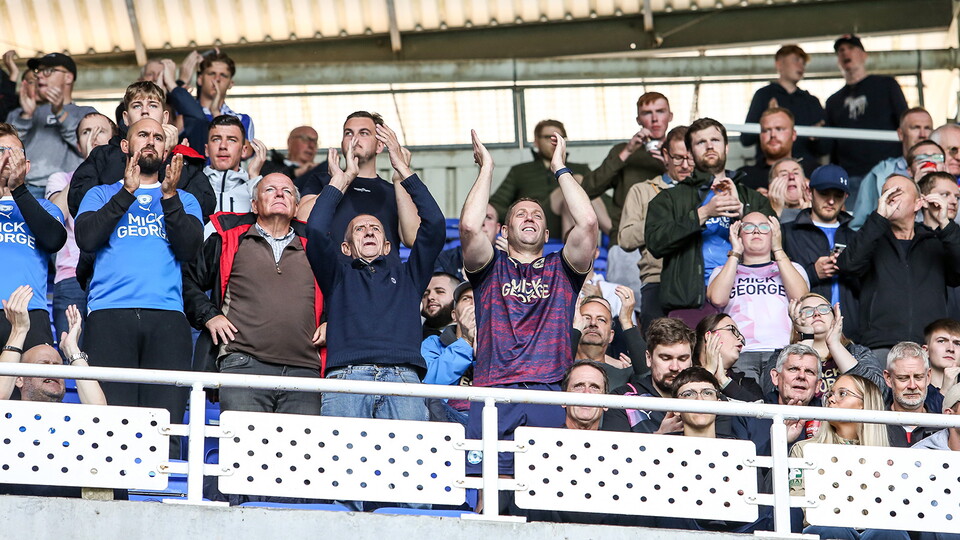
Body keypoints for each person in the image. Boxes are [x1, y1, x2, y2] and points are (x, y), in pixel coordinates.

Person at [459, 128, 598, 475]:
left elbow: (589, 222)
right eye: (520, 214)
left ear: (548, 235)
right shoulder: (491, 267)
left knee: (545, 487)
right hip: (493, 389)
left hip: (549, 390)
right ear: (504, 231)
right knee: (487, 488)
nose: (530, 218)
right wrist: (486, 168)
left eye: (537, 215)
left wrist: (559, 168)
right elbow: (470, 228)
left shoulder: (562, 269)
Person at [306, 123, 444, 421]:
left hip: (403, 377)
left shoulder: (410, 277)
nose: (368, 231)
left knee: (409, 465)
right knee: (343, 464)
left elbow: (434, 226)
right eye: (359, 229)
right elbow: (316, 231)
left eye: (376, 229)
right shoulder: (337, 277)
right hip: (347, 377)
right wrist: (338, 182)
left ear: (386, 246)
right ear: (345, 247)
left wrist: (403, 170)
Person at [74, 117, 203, 426]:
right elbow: (87, 239)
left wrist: (169, 199)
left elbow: (189, 250)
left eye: (158, 137)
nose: (150, 141)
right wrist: (126, 193)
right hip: (109, 315)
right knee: (113, 424)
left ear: (167, 148)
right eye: (142, 134)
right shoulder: (100, 194)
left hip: (168, 317)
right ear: (125, 145)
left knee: (166, 423)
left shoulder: (185, 199)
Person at [183, 173, 324, 415]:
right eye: (270, 189)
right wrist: (209, 315)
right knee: (243, 452)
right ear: (254, 205)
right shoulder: (228, 237)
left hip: (305, 371)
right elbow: (187, 280)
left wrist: (330, 321)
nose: (280, 193)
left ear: (297, 208)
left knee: (299, 453)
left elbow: (342, 290)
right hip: (243, 365)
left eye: (287, 191)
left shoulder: (316, 244)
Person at [645, 118, 774, 322]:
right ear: (690, 151)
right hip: (691, 301)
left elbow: (777, 241)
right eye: (700, 142)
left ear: (727, 146)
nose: (709, 146)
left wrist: (741, 209)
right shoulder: (670, 198)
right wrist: (703, 213)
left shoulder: (752, 199)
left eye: (715, 139)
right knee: (689, 355)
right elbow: (655, 243)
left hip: (746, 294)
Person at [837, 174, 960, 358]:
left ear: (918, 204)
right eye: (886, 193)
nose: (891, 197)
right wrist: (878, 217)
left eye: (898, 192)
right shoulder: (872, 237)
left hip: (929, 347)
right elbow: (848, 264)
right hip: (880, 344)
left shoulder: (935, 240)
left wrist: (945, 223)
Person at [67, 81, 215, 221]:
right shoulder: (103, 154)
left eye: (152, 105)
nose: (145, 111)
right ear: (126, 118)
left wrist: (166, 157)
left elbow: (203, 209)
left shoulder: (182, 157)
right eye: (137, 106)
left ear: (164, 117)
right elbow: (78, 204)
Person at [789, 374, 906, 540]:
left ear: (864, 405)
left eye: (842, 394)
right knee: (831, 529)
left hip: (873, 529)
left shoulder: (888, 457)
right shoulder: (804, 449)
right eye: (830, 394)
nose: (831, 399)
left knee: (889, 532)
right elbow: (798, 503)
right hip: (826, 528)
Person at [296, 112, 420, 259]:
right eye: (348, 133)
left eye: (364, 133)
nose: (354, 138)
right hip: (333, 277)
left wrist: (400, 178)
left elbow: (412, 239)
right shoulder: (323, 181)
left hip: (383, 278)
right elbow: (302, 220)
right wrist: (340, 180)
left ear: (379, 145)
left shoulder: (393, 191)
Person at [706, 212, 809, 382]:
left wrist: (778, 248)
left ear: (774, 233)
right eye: (748, 227)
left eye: (763, 227)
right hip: (740, 352)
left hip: (782, 351)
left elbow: (802, 298)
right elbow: (718, 299)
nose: (756, 232)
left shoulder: (794, 268)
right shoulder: (722, 271)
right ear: (738, 235)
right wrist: (735, 252)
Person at [44, 112, 117, 342]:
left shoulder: (126, 181)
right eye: (87, 132)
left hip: (113, 277)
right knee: (71, 357)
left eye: (101, 131)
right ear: (78, 145)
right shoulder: (61, 179)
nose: (93, 137)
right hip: (70, 280)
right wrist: (89, 164)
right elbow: (53, 219)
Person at [618, 125, 693, 330]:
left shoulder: (707, 191)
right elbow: (625, 239)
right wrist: (664, 221)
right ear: (665, 155)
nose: (685, 165)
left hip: (700, 281)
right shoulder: (642, 191)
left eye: (691, 157)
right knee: (658, 349)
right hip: (657, 279)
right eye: (678, 158)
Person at [0, 122, 67, 350]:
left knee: (33, 386)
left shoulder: (45, 207)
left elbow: (54, 240)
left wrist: (18, 189)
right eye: (1, 152)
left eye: (14, 153)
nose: (7, 158)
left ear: (26, 165)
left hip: (31, 312)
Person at [825, 34, 908, 209]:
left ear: (864, 54)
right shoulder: (833, 101)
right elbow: (831, 146)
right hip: (851, 176)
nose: (846, 53)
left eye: (852, 48)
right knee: (855, 228)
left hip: (888, 171)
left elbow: (905, 122)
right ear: (838, 60)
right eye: (841, 50)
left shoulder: (886, 85)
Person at [782, 164, 860, 339]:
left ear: (846, 196)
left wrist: (848, 269)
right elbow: (777, 285)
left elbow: (871, 287)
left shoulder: (856, 237)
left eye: (838, 195)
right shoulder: (787, 233)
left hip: (851, 333)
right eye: (824, 193)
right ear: (810, 193)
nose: (831, 201)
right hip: (803, 331)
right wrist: (812, 273)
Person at [488, 119, 598, 240]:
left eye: (559, 138)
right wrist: (518, 216)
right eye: (548, 137)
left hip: (575, 222)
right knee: (570, 185)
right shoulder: (520, 171)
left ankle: (614, 240)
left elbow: (603, 204)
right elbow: (495, 205)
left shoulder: (580, 169)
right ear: (536, 141)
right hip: (534, 222)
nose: (554, 142)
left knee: (577, 181)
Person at [4, 53, 96, 197]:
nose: (39, 76)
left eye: (47, 71)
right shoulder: (20, 113)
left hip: (68, 190)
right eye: (38, 72)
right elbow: (7, 150)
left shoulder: (86, 113)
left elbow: (90, 147)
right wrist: (26, 117)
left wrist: (60, 113)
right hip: (25, 189)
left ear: (68, 77)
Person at [763, 292, 885, 399]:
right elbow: (773, 393)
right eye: (807, 311)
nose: (816, 313)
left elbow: (878, 393)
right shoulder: (781, 356)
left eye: (823, 309)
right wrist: (806, 337)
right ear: (796, 320)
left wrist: (835, 345)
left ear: (835, 316)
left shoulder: (857, 352)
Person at [0, 285, 105, 405]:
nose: (52, 370)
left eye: (56, 366)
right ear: (19, 379)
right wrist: (19, 331)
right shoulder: (7, 416)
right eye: (43, 364)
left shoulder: (74, 416)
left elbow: (100, 409)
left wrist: (72, 350)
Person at [601, 317, 695, 434]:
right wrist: (660, 436)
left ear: (691, 361)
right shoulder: (623, 399)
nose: (675, 367)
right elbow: (614, 450)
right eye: (666, 358)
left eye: (682, 359)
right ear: (648, 358)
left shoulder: (706, 397)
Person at [743, 45, 825, 175]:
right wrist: (767, 119)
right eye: (796, 60)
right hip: (770, 169)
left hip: (804, 169)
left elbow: (825, 148)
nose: (801, 66)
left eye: (803, 63)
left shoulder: (811, 101)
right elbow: (746, 139)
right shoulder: (763, 95)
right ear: (779, 64)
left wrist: (816, 136)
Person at [850, 108, 934, 230]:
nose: (922, 134)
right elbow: (857, 225)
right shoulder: (880, 173)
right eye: (915, 127)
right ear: (900, 134)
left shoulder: (946, 169)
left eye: (927, 128)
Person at [733, 343, 821, 456]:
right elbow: (744, 469)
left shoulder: (830, 419)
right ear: (775, 377)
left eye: (809, 371)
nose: (801, 376)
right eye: (793, 369)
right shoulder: (748, 416)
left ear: (818, 385)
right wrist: (781, 440)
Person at [201, 115, 267, 235]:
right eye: (216, 139)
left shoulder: (252, 186)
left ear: (244, 150)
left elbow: (269, 225)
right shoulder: (192, 185)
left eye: (231, 140)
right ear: (206, 149)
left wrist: (254, 177)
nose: (223, 146)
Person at [421, 281, 476, 425]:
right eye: (466, 299)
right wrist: (465, 342)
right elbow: (430, 386)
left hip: (490, 418)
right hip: (447, 420)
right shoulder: (432, 343)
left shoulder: (502, 346)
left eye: (480, 297)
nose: (473, 303)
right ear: (454, 315)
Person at [572, 294, 644, 390]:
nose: (593, 323)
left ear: (611, 335)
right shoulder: (556, 369)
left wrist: (626, 321)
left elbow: (646, 374)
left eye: (601, 320)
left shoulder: (624, 375)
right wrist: (574, 332)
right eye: (586, 318)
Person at [694, 314, 763, 402]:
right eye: (731, 330)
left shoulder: (747, 384)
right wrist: (709, 372)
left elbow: (760, 412)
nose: (740, 337)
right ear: (709, 336)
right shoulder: (684, 375)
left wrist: (724, 381)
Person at [883, 341, 941, 447]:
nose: (912, 386)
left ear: (928, 377)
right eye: (903, 378)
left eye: (918, 377)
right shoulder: (874, 425)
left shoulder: (943, 427)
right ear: (888, 378)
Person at [196, 50, 254, 140]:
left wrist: (216, 112)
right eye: (212, 74)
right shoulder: (183, 114)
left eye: (223, 75)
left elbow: (244, 152)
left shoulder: (242, 120)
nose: (217, 79)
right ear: (200, 79)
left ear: (231, 83)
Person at [736, 108, 798, 192]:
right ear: (760, 135)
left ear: (793, 134)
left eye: (779, 129)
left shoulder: (810, 172)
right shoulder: (743, 176)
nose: (773, 135)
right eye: (766, 130)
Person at [434, 202, 499, 279]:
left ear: (498, 228)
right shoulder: (443, 260)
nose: (481, 222)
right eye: (475, 216)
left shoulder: (509, 261)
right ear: (462, 225)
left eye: (488, 217)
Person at [561, 360, 608, 431]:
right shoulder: (544, 440)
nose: (587, 392)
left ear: (606, 403)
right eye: (578, 386)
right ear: (563, 400)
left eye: (594, 387)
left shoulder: (617, 442)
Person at [766, 157, 810, 224]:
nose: (791, 177)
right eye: (784, 174)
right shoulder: (761, 213)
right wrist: (774, 212)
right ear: (771, 186)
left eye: (796, 173)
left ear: (806, 181)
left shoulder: (821, 209)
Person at [922, 318, 960, 394]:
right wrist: (945, 391)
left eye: (957, 343)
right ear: (926, 351)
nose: (951, 349)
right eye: (941, 341)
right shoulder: (915, 388)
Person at [421, 271, 459, 339]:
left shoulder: (478, 333)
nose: (430, 297)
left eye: (440, 292)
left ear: (458, 297)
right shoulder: (413, 335)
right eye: (425, 294)